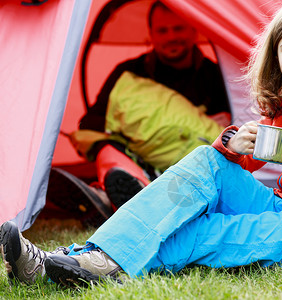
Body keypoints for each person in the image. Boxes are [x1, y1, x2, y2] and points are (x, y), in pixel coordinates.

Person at [2, 0, 282, 288]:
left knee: (199, 234)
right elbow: (242, 167)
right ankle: (73, 259)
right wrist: (236, 146)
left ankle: (86, 266)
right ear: (276, 57)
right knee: (204, 160)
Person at [46, 1, 231, 225]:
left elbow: (237, 128)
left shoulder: (216, 75)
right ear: (151, 34)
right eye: (163, 30)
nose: (171, 37)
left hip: (189, 160)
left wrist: (223, 121)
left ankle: (107, 200)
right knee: (103, 146)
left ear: (194, 31)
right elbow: (90, 126)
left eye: (178, 29)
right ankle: (129, 190)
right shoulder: (128, 74)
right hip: (137, 157)